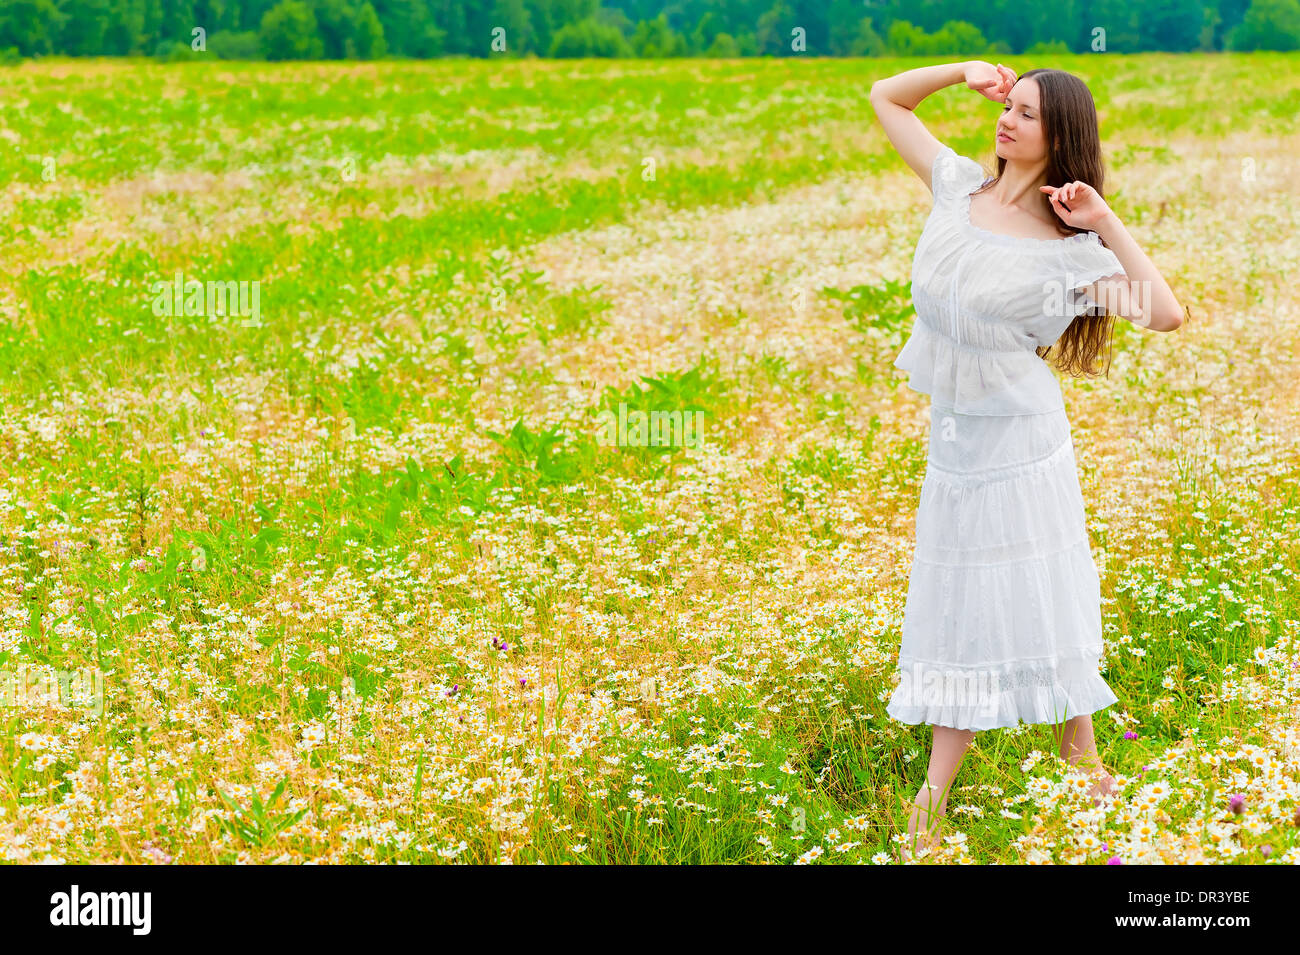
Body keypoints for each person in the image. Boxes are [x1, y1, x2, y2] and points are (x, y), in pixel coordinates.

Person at [868, 60, 1184, 862]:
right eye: (1008, 105)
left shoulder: (1067, 252)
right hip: (957, 441)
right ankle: (1082, 760)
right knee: (960, 595)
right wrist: (961, 72)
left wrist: (1106, 223)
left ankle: (936, 796)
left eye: (1029, 113)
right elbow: (886, 98)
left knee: (1017, 588)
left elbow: (1165, 313)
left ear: (1062, 136)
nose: (1008, 119)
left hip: (1020, 443)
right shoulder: (956, 188)